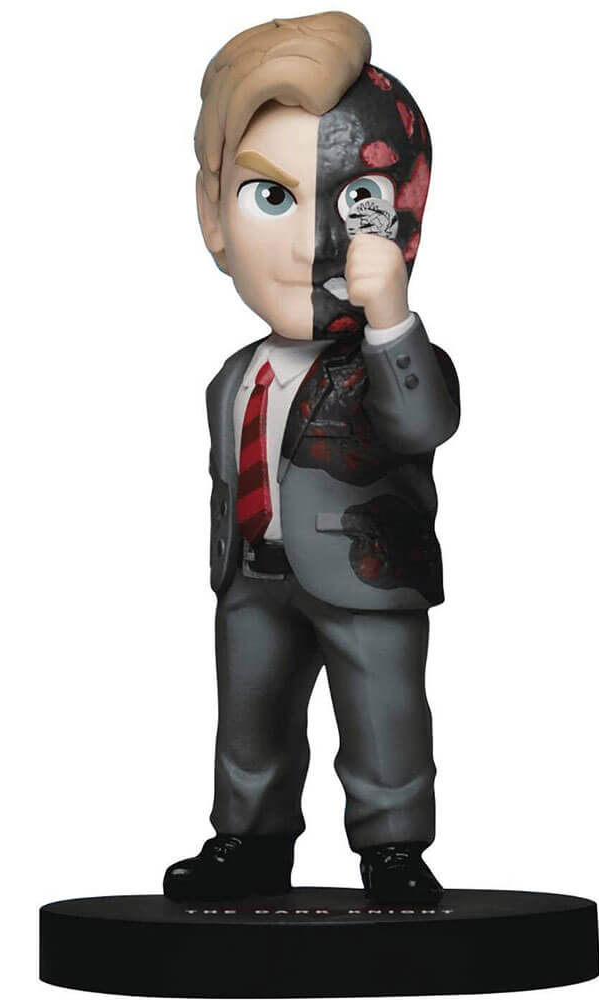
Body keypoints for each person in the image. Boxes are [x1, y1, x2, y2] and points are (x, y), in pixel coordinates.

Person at [164, 11, 460, 904]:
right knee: (249, 713)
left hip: (364, 573)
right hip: (255, 574)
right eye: (271, 197)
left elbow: (423, 421)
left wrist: (391, 321)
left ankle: (393, 848)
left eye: (350, 202)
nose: (310, 246)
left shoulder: (391, 357)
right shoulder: (233, 378)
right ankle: (249, 839)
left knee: (382, 711)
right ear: (213, 216)